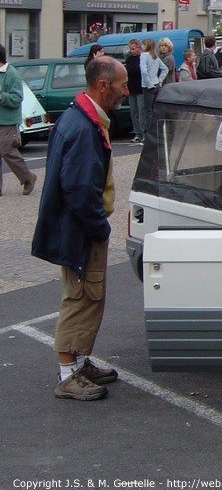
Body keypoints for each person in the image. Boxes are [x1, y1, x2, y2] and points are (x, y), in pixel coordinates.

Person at [32, 56, 129, 401]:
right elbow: (78, 189)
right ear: (103, 86)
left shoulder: (78, 116)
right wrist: (99, 227)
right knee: (81, 296)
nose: (126, 91)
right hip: (79, 230)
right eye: (122, 84)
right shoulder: (85, 127)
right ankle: (68, 373)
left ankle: (78, 361)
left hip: (75, 227)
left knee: (87, 295)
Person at [0, 43, 37, 196]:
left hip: (7, 121)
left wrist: (0, 96)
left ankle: (28, 177)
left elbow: (16, 98)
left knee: (7, 151)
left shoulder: (11, 74)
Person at [139, 38, 168, 133]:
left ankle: (149, 132)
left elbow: (143, 70)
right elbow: (165, 69)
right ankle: (157, 130)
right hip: (156, 84)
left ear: (147, 46)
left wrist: (148, 83)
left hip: (149, 86)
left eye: (143, 45)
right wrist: (160, 80)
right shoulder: (155, 56)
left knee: (147, 111)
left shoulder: (144, 55)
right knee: (155, 109)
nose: (141, 47)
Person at [125, 38, 145, 144]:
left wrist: (128, 69)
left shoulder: (142, 58)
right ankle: (137, 133)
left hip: (140, 88)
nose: (132, 51)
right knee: (134, 112)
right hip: (131, 88)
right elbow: (127, 71)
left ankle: (144, 133)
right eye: (130, 49)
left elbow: (136, 70)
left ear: (139, 47)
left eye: (133, 49)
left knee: (142, 112)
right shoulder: (129, 59)